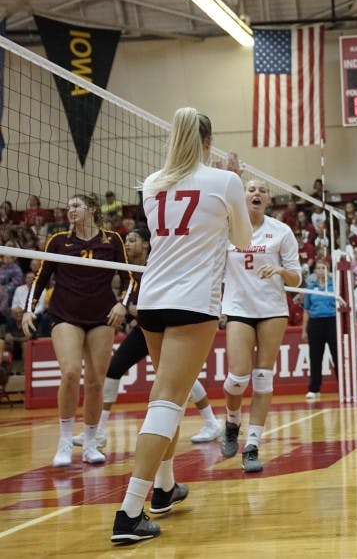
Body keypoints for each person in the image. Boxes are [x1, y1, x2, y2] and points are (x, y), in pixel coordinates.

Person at [110, 108, 251, 544]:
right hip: (192, 303)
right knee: (167, 400)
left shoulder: (152, 184)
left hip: (151, 301)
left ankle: (166, 488)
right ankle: (130, 512)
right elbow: (243, 242)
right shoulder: (224, 181)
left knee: (163, 396)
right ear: (209, 141)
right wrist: (236, 185)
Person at [72, 227, 223, 449]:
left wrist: (137, 309)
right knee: (115, 369)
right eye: (126, 240)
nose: (128, 244)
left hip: (166, 324)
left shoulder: (159, 261)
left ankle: (211, 422)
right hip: (145, 328)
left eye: (133, 240)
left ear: (146, 244)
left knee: (177, 377)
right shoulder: (127, 268)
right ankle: (99, 431)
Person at [22, 193, 131, 468]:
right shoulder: (58, 241)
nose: (70, 209)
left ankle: (92, 442)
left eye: (76, 205)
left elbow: (131, 278)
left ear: (91, 210)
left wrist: (122, 305)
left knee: (96, 381)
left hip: (102, 316)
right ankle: (65, 441)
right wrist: (28, 309)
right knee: (70, 373)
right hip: (65, 314)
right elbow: (40, 277)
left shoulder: (112, 240)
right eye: (68, 205)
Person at [219, 179, 302, 473]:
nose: (257, 193)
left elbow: (296, 278)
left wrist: (279, 269)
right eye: (251, 189)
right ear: (242, 196)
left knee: (264, 378)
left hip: (272, 310)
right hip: (238, 308)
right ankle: (231, 419)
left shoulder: (281, 231)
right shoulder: (226, 228)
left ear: (267, 199)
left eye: (262, 190)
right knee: (238, 378)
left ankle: (252, 446)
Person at [302, 260, 339, 402]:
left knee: (336, 355)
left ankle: (342, 386)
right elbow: (306, 310)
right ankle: (314, 388)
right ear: (315, 271)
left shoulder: (334, 286)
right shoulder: (311, 288)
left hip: (332, 321)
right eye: (318, 268)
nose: (321, 270)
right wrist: (304, 330)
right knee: (315, 357)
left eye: (324, 267)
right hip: (315, 323)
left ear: (328, 270)